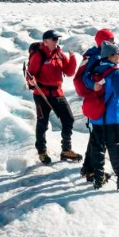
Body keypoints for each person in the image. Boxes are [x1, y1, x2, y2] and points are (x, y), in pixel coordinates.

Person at [82, 41, 119, 190]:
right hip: (112, 116)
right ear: (111, 55)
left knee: (97, 147)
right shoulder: (115, 72)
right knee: (117, 149)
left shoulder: (96, 69)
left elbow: (86, 80)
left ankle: (98, 175)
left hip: (97, 117)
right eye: (117, 53)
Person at [26, 29, 81, 164]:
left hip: (57, 93)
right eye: (54, 39)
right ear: (46, 41)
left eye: (57, 39)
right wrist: (30, 81)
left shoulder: (59, 54)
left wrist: (72, 58)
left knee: (68, 119)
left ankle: (66, 150)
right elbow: (30, 74)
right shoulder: (38, 55)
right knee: (42, 123)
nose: (57, 41)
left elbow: (69, 72)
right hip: (41, 94)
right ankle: (42, 151)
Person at [76, 28, 116, 183]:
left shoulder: (96, 54)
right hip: (97, 99)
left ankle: (88, 168)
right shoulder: (97, 56)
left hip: (98, 98)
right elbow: (87, 77)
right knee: (99, 137)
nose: (114, 42)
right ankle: (93, 172)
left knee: (96, 136)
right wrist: (94, 86)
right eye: (112, 40)